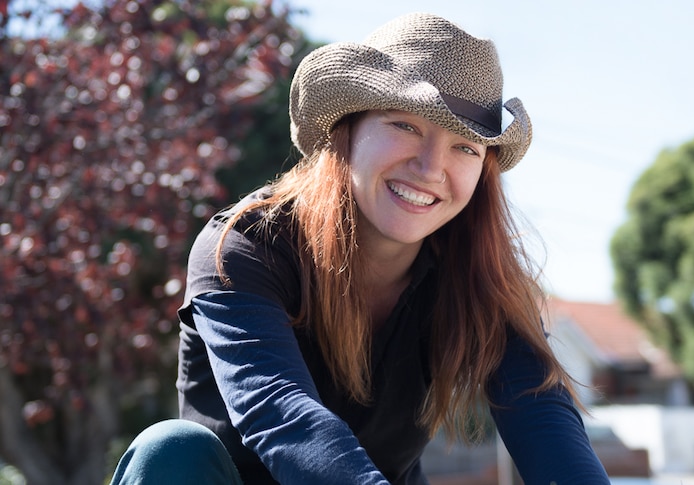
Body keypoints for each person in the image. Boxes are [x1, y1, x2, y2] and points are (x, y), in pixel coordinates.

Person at [110, 12, 611, 485]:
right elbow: (285, 416)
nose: (431, 166)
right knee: (169, 448)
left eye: (466, 147)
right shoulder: (244, 247)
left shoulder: (479, 278)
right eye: (406, 125)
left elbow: (542, 415)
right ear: (348, 131)